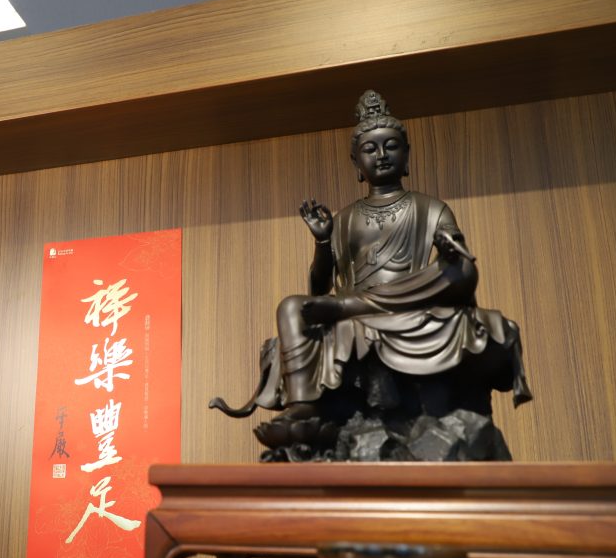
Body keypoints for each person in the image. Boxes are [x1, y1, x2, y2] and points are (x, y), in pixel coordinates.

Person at [212, 90, 530, 459]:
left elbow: (461, 268)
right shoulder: (346, 218)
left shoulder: (430, 208)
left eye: (391, 146)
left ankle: (352, 309)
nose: (381, 155)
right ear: (356, 162)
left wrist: (448, 250)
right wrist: (322, 242)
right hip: (355, 303)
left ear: (406, 155)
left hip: (408, 301)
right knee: (291, 307)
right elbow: (318, 289)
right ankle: (303, 404)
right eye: (370, 149)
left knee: (460, 273)